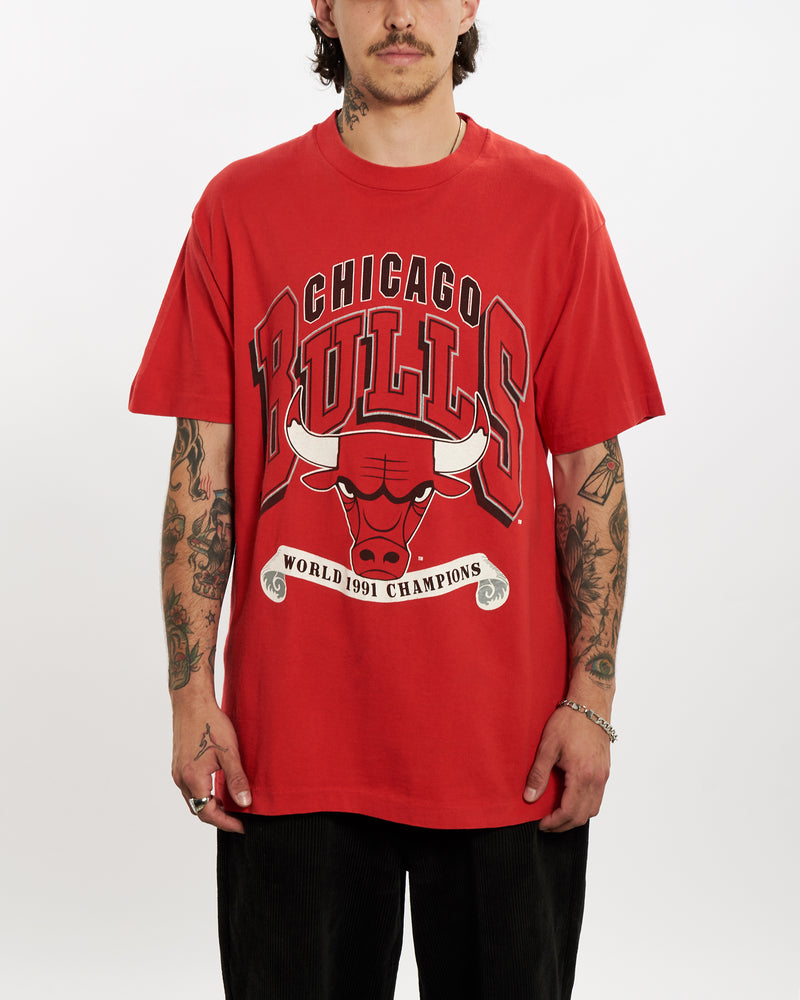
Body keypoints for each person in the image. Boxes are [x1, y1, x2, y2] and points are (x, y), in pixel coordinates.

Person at [130, 2, 664, 996]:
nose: (400, 13)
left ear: (468, 6)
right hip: (292, 748)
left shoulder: (554, 210)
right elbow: (201, 472)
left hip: (506, 747)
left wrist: (591, 700)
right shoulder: (239, 209)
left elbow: (589, 477)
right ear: (324, 9)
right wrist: (189, 694)